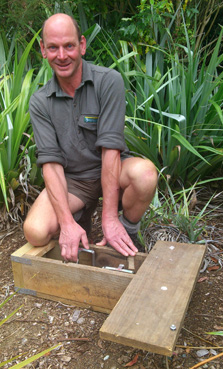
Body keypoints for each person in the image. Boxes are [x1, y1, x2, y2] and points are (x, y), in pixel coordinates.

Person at [23, 13, 157, 262]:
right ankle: (77, 222)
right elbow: (51, 164)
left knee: (145, 174)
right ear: (43, 50)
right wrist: (65, 223)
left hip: (113, 170)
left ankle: (126, 230)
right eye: (53, 47)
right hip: (75, 181)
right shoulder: (40, 101)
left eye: (69, 46)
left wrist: (109, 218)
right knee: (35, 231)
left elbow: (111, 149)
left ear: (82, 45)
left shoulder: (108, 82)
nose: (62, 56)